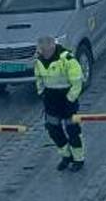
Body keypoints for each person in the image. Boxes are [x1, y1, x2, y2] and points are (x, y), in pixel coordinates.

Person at [34, 36, 86, 171]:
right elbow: (39, 78)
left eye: (45, 50)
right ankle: (66, 156)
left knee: (72, 130)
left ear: (52, 47)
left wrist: (70, 99)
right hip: (51, 98)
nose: (43, 52)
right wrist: (42, 93)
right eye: (41, 50)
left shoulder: (67, 59)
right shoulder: (39, 60)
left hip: (67, 98)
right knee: (53, 130)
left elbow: (77, 81)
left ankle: (78, 159)